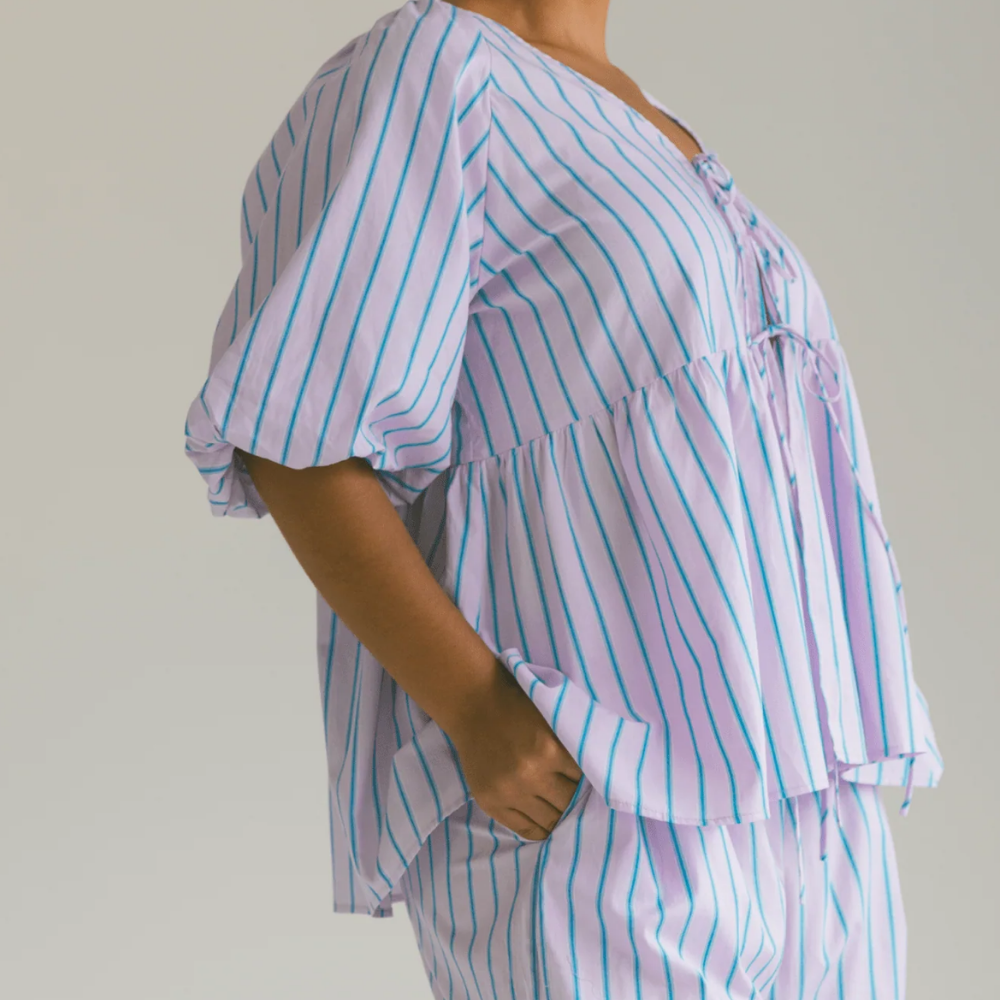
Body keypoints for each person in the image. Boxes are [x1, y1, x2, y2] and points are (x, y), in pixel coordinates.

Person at [182, 0, 944, 995]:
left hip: (818, 822)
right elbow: (294, 433)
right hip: (605, 813)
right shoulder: (435, 65)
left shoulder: (645, 116)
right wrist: (474, 705)